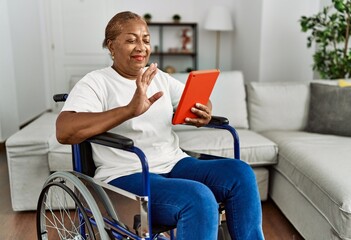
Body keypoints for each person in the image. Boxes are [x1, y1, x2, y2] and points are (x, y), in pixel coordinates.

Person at [56, 11, 264, 240]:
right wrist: (128, 111)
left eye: (145, 39)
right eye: (131, 40)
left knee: (240, 173)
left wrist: (204, 109)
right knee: (199, 198)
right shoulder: (96, 82)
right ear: (111, 46)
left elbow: (197, 98)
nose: (141, 47)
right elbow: (64, 131)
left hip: (174, 163)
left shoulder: (159, 78)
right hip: (127, 174)